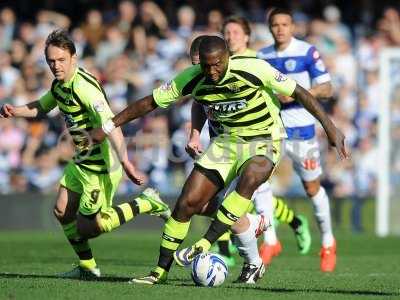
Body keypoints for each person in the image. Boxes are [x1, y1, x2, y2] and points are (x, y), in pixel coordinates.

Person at [89, 35, 348, 285]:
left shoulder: (254, 68)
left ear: (227, 57)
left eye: (217, 64)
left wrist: (330, 128)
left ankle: (203, 244)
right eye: (206, 65)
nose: (212, 71)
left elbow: (300, 92)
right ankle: (159, 272)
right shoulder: (191, 79)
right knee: (186, 203)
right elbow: (149, 103)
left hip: (264, 139)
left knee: (248, 181)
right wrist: (109, 126)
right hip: (225, 143)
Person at [0, 29, 171, 279]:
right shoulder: (59, 86)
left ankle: (146, 202)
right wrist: (16, 110)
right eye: (51, 61)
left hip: (100, 166)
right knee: (61, 211)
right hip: (82, 160)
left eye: (61, 60)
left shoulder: (84, 88)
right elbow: (42, 107)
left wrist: (126, 162)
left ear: (73, 58)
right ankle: (88, 267)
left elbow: (111, 124)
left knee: (90, 228)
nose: (56, 66)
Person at [187, 16, 312, 267]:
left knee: (251, 190)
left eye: (235, 31)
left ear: (246, 36)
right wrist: (194, 132)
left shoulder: (257, 61)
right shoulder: (212, 65)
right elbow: (198, 100)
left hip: (259, 137)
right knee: (226, 198)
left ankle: (267, 238)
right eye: (226, 32)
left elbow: (282, 90)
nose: (230, 36)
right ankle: (240, 242)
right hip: (222, 140)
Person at [257, 8, 337, 272]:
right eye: (275, 25)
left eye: (285, 24)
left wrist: (298, 93)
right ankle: (270, 241)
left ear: (292, 27)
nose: (280, 29)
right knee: (258, 182)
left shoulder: (306, 51)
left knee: (312, 188)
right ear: (270, 28)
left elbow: (327, 88)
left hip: (302, 131)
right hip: (272, 130)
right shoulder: (262, 56)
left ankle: (328, 241)